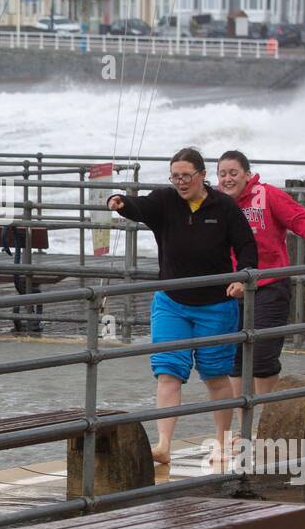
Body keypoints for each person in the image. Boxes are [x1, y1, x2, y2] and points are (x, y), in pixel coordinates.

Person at [107, 148, 258, 467]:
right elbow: (140, 206)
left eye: (186, 176)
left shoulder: (225, 207)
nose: (180, 182)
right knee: (167, 373)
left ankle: (220, 441)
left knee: (216, 376)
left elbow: (246, 246)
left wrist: (242, 279)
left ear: (202, 175)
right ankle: (163, 445)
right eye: (175, 176)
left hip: (216, 304)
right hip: (171, 301)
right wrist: (121, 201)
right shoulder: (165, 201)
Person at [216, 151, 305, 410]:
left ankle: (267, 420)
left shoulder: (268, 195)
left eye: (233, 173)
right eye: (222, 174)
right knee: (235, 359)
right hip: (230, 287)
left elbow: (301, 221)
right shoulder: (216, 202)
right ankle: (242, 427)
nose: (228, 179)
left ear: (247, 175)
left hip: (269, 285)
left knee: (262, 358)